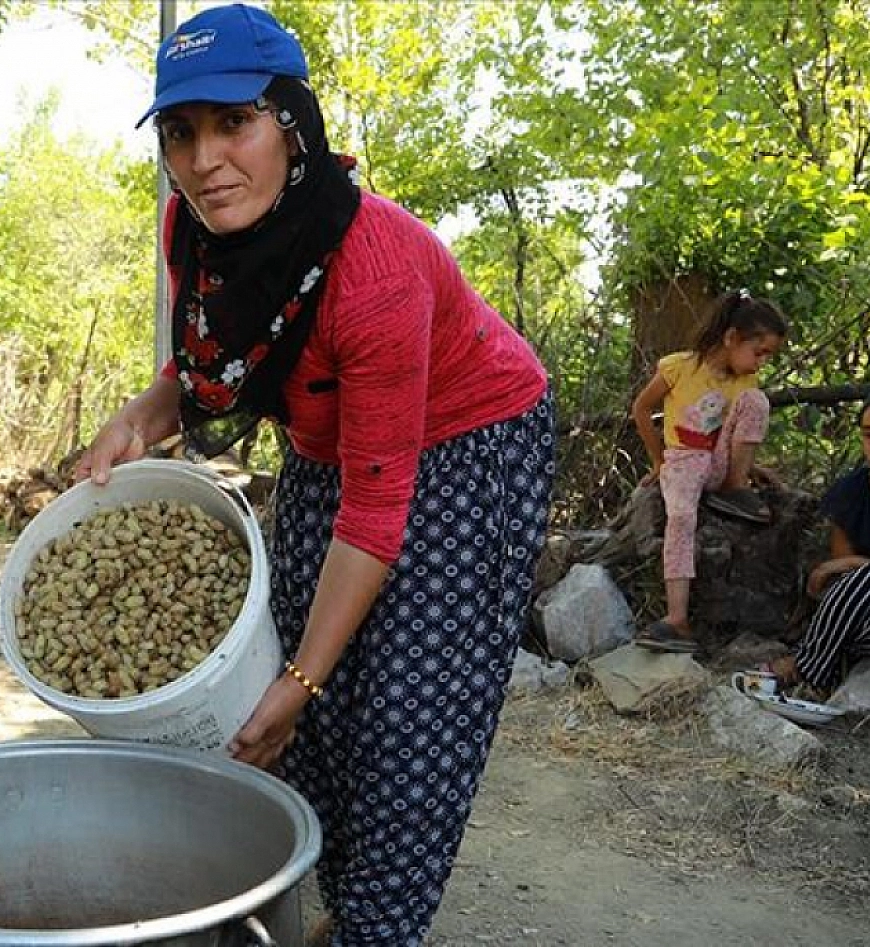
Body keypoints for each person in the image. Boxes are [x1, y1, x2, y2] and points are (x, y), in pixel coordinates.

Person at [74, 6, 554, 944]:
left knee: (408, 714)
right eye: (180, 134)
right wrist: (137, 417)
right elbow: (212, 362)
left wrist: (301, 680)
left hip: (468, 439)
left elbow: (375, 516)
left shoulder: (376, 268)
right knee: (301, 696)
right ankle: (333, 893)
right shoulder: (192, 228)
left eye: (234, 123)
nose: (204, 160)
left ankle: (378, 924)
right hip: (331, 443)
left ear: (293, 124)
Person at [630, 291, 789, 653]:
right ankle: (677, 618)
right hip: (683, 461)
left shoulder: (744, 385)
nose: (762, 362)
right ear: (732, 337)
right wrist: (658, 460)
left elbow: (730, 432)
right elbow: (641, 409)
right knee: (681, 518)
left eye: (768, 356)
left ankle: (735, 488)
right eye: (759, 352)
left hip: (718, 466)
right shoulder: (679, 368)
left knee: (757, 401)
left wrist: (748, 467)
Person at [751, 394, 870, 695]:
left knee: (869, 576)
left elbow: (850, 567)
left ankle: (806, 670)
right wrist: (852, 567)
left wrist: (856, 563)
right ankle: (822, 671)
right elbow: (844, 582)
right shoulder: (851, 492)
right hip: (864, 621)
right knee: (855, 583)